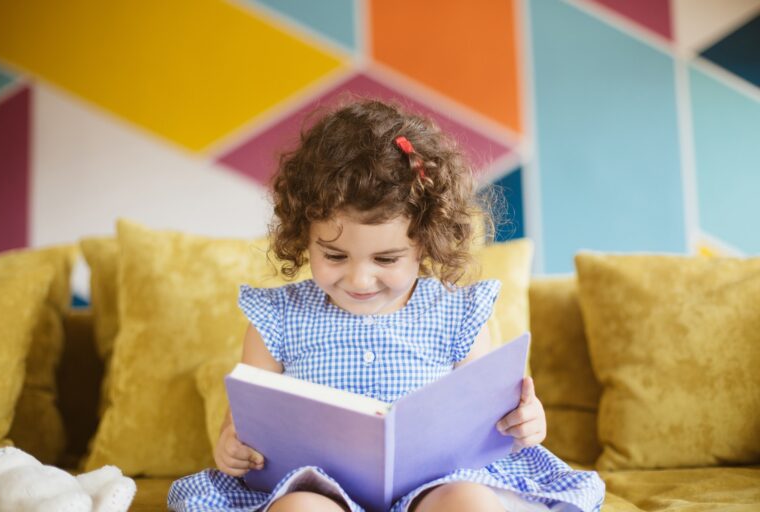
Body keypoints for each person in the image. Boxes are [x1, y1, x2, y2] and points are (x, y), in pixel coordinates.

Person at [168, 99, 605, 512]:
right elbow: (244, 425)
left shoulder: (458, 314)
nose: (359, 279)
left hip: (436, 484)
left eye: (386, 259)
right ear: (304, 236)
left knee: (470, 503)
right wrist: (232, 446)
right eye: (335, 256)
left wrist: (525, 422)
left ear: (425, 242)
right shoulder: (277, 318)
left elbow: (491, 421)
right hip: (314, 487)